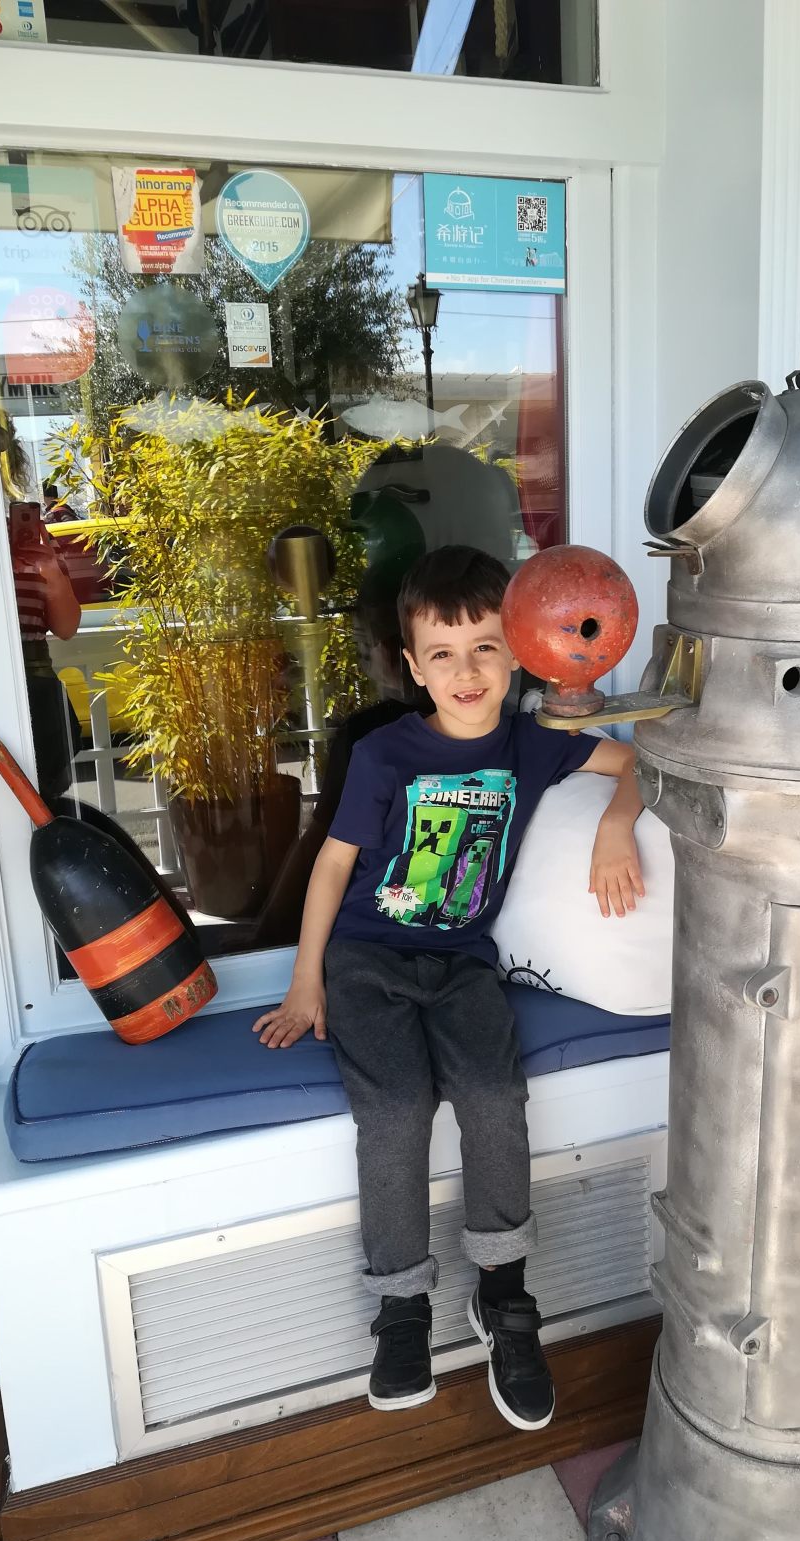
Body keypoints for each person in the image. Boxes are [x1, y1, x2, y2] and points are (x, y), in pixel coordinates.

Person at [253, 545, 644, 1431]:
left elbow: (635, 765)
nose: (467, 672)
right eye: (443, 653)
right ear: (413, 665)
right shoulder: (386, 751)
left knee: (495, 1094)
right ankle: (402, 1308)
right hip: (367, 958)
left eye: (485, 648)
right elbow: (332, 866)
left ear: (518, 652)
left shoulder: (532, 742)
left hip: (465, 961)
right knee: (395, 1107)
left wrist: (617, 827)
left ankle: (503, 1292)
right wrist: (306, 981)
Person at [8, 500, 83, 804]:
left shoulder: (38, 538)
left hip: (35, 685)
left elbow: (66, 628)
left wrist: (51, 573)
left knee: (42, 800)